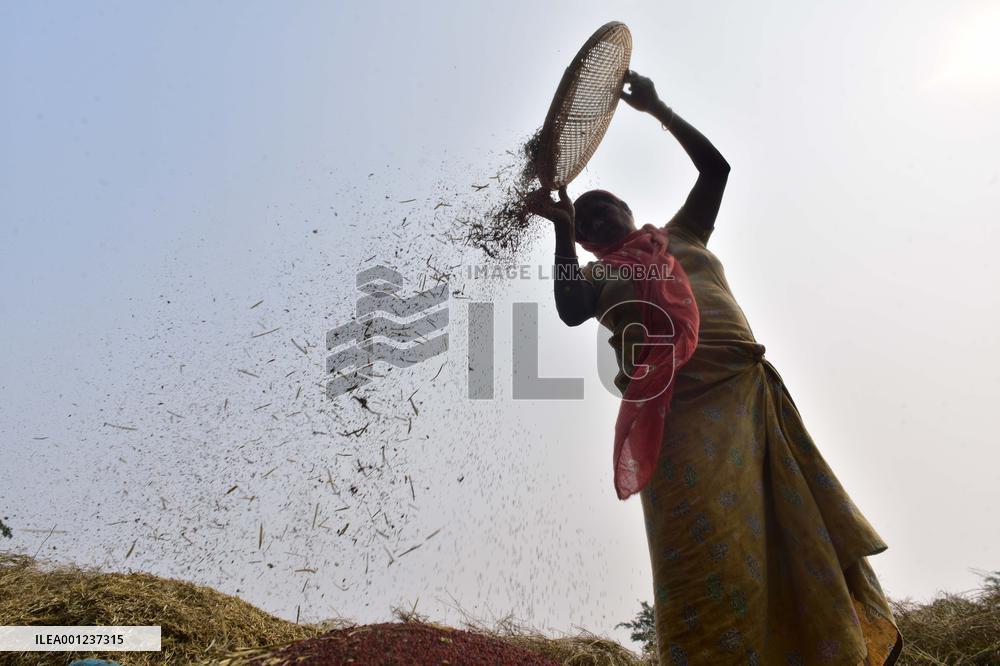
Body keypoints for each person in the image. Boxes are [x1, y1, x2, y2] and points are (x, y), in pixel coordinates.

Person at [527, 70, 903, 665]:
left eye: (602, 210)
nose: (596, 221)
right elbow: (570, 309)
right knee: (699, 559)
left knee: (790, 535)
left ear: (628, 208)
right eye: (588, 221)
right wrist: (563, 235)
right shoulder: (597, 276)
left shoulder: (683, 234)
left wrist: (658, 109)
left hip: (746, 399)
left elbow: (716, 170)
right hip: (673, 423)